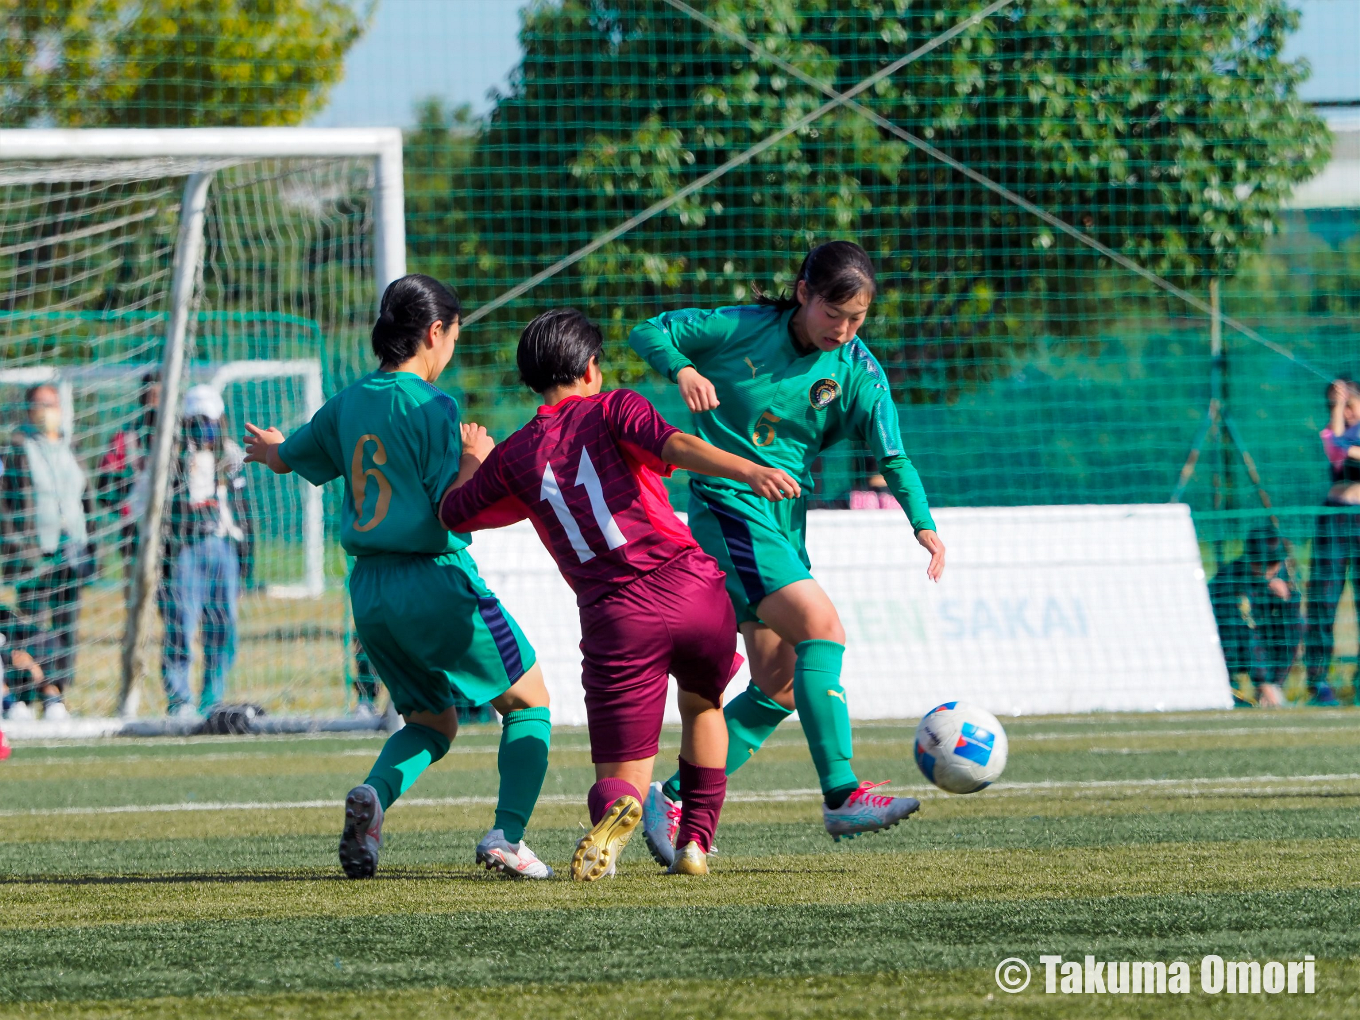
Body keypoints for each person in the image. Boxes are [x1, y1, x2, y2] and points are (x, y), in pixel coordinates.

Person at [440, 308, 801, 880]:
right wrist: (747, 469)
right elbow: (676, 445)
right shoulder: (615, 407)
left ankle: (618, 812)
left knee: (620, 776)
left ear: (532, 377)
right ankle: (694, 844)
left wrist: (471, 460)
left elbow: (454, 512)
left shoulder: (513, 456)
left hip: (616, 617)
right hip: (692, 589)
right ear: (590, 368)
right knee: (704, 705)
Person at [628, 240, 946, 862]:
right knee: (822, 630)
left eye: (857, 318)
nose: (845, 329)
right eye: (834, 313)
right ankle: (842, 794)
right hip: (729, 504)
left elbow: (892, 454)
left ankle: (668, 797)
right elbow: (650, 330)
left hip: (782, 518)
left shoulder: (857, 367)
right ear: (804, 292)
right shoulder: (741, 328)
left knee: (776, 683)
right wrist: (684, 369)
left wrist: (923, 524)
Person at [244, 273, 555, 881]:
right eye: (453, 338)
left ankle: (375, 797)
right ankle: (507, 837)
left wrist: (274, 446)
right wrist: (475, 460)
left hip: (370, 592)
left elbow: (287, 458)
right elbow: (450, 507)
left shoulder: (350, 401)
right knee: (528, 703)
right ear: (435, 332)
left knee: (431, 722)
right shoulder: (434, 406)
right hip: (434, 579)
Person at [0, 383, 95, 720]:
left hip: (71, 553)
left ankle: (57, 697)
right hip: (34, 556)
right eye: (40, 405)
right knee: (31, 628)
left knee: (66, 627)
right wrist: (19, 548)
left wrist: (90, 543)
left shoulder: (71, 445)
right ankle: (25, 695)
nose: (47, 411)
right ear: (28, 410)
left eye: (52, 404)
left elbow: (86, 497)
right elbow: (7, 506)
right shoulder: (16, 448)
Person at [159, 385, 251, 718]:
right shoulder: (170, 458)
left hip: (222, 546)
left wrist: (246, 560)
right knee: (180, 625)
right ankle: (179, 698)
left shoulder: (231, 456)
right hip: (185, 548)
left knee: (222, 626)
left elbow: (243, 509)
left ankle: (212, 697)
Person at [1304, 378, 1360, 706]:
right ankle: (1318, 682)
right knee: (1324, 599)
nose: (1346, 413)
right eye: (1338, 407)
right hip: (1336, 521)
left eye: (1351, 405)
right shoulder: (1332, 436)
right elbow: (1337, 447)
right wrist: (1338, 405)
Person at [1210, 525, 1301, 707]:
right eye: (1262, 565)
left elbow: (1291, 624)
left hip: (1264, 643)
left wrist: (1286, 601)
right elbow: (1246, 634)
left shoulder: (1284, 574)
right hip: (1230, 644)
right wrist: (1262, 681)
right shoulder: (1229, 583)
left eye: (1274, 564)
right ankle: (1239, 690)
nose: (1269, 570)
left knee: (1297, 624)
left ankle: (1274, 688)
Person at [97, 371, 160, 568]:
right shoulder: (127, 436)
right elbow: (105, 487)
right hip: (134, 525)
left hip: (172, 524)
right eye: (153, 396)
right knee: (134, 581)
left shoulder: (182, 434)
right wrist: (127, 502)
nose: (156, 403)